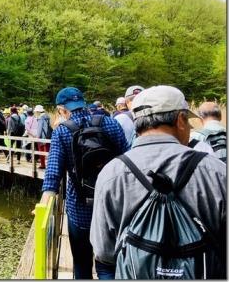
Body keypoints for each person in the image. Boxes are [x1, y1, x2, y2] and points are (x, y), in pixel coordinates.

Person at [90, 85, 226, 278]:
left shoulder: (111, 173)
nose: (189, 128)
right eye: (188, 122)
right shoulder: (216, 172)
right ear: (180, 120)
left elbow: (104, 251)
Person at [40, 87, 128, 279]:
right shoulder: (111, 123)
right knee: (109, 264)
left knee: (81, 263)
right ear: (83, 103)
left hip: (80, 207)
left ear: (62, 109)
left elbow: (53, 171)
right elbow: (128, 160)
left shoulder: (62, 131)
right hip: (114, 207)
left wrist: (44, 202)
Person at [34, 105, 52, 169]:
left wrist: (37, 137)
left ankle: (43, 164)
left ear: (38, 111)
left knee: (41, 150)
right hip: (49, 135)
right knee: (48, 150)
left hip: (42, 136)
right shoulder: (48, 116)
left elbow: (39, 129)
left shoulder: (40, 118)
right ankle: (50, 164)